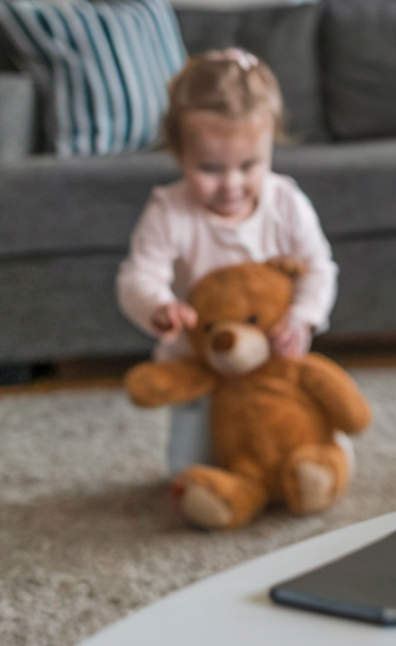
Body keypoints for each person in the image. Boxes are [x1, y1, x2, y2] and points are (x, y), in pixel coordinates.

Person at [117, 48, 338, 474]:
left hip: (273, 359)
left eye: (249, 164)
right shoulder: (169, 210)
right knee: (189, 466)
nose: (232, 184)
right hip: (198, 364)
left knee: (306, 425)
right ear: (179, 154)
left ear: (270, 141)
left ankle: (310, 466)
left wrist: (301, 317)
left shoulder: (285, 201)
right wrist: (158, 306)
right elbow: (137, 276)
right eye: (211, 168)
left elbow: (318, 268)